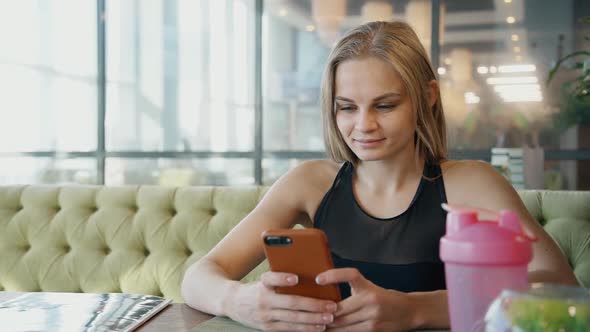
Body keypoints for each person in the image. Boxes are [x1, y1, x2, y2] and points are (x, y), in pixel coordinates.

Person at [181, 21, 578, 331]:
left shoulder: (471, 183)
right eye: (347, 107)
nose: (363, 125)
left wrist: (414, 310)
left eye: (384, 105)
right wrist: (240, 301)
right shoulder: (308, 183)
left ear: (428, 97)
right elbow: (199, 276)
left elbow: (558, 286)